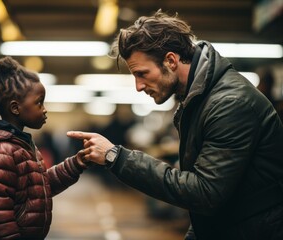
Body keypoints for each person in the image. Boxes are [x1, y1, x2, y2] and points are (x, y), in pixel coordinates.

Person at [67, 9, 283, 240]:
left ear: (170, 61)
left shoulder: (229, 104)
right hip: (230, 223)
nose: (139, 86)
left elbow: (204, 192)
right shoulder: (199, 98)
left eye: (142, 73)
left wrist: (116, 157)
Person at [0, 57, 87, 239]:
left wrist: (77, 163)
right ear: (15, 108)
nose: (44, 109)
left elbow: (40, 188)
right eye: (39, 102)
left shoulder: (20, 145)